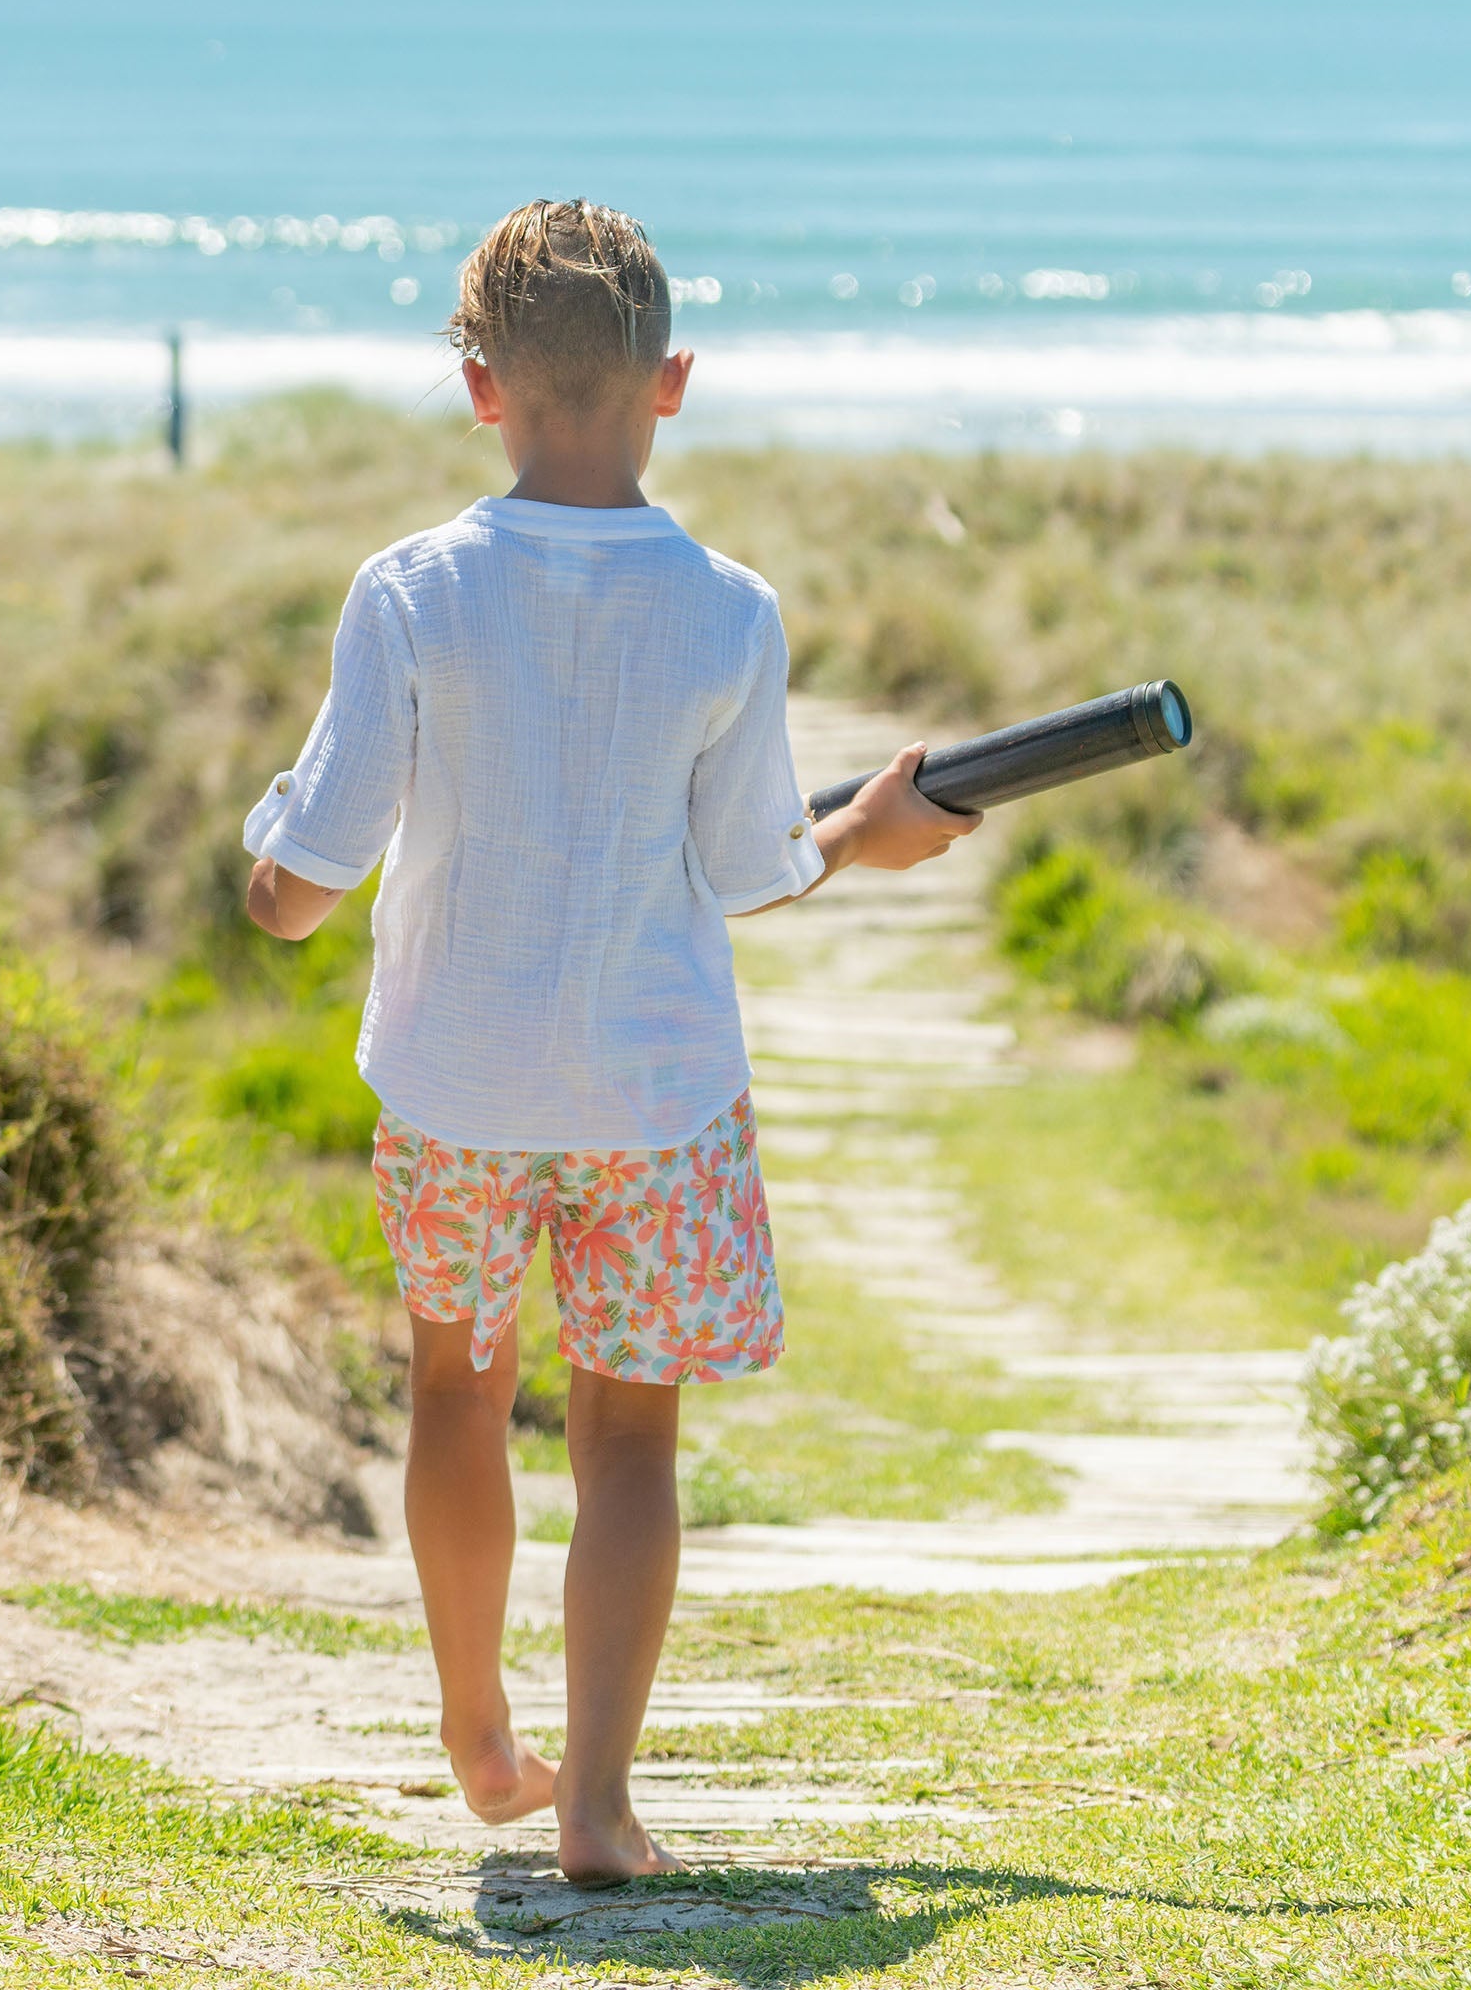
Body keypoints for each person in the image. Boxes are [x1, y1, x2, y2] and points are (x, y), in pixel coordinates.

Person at [242, 198, 978, 1887]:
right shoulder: (729, 611)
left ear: (480, 387)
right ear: (675, 382)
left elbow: (302, 885)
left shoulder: (410, 592)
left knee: (454, 1386)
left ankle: (474, 1730)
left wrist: (264, 872)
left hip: (451, 1091)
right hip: (653, 1101)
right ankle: (596, 1805)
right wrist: (865, 833)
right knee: (628, 1438)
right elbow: (745, 872)